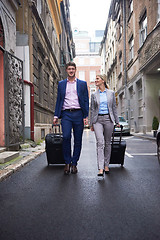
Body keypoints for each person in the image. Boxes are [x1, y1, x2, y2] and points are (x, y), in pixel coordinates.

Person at [53, 62, 89, 175]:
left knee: (78, 140)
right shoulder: (61, 84)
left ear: (75, 70)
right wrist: (56, 115)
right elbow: (59, 100)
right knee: (66, 137)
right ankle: (67, 162)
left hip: (78, 113)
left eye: (73, 69)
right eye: (69, 69)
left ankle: (74, 164)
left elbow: (86, 101)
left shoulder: (82, 84)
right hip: (66, 114)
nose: (71, 70)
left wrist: (85, 116)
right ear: (66, 71)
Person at [90, 74, 120, 177]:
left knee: (108, 143)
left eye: (97, 79)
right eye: (96, 79)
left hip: (109, 119)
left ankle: (106, 165)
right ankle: (101, 168)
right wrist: (91, 123)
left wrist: (117, 122)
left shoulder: (111, 93)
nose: (95, 80)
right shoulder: (94, 95)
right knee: (100, 142)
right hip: (97, 120)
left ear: (103, 80)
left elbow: (114, 108)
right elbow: (92, 110)